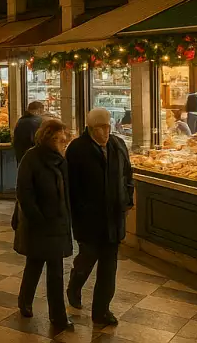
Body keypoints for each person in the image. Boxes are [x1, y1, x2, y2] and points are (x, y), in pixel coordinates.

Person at [66, 107, 135, 327]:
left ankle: (101, 310)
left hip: (114, 218)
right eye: (99, 128)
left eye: (107, 126)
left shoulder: (118, 145)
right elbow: (71, 186)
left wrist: (127, 198)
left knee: (109, 267)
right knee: (87, 259)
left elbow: (127, 174)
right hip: (89, 220)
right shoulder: (77, 149)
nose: (105, 132)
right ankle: (74, 286)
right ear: (90, 128)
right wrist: (77, 211)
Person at [13, 117, 74, 334]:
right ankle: (25, 301)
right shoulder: (32, 158)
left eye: (63, 139)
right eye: (57, 139)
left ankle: (57, 316)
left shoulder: (62, 160)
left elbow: (67, 192)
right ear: (46, 138)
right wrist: (38, 219)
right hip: (38, 224)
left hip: (58, 223)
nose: (61, 143)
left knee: (56, 271)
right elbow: (24, 194)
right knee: (35, 265)